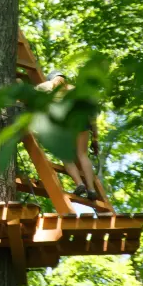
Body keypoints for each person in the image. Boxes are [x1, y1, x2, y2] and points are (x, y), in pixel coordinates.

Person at [36, 71, 100, 201]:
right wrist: (95, 139)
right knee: (82, 155)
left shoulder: (46, 86)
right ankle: (92, 189)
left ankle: (80, 184)